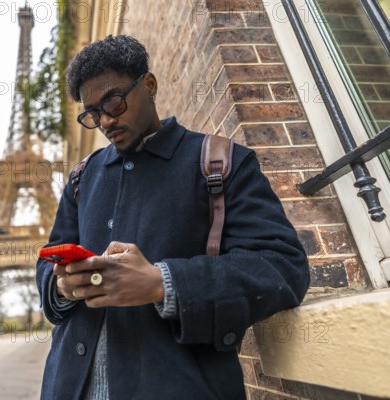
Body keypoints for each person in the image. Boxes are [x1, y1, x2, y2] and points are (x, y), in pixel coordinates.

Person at [35, 35, 310, 399]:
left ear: (149, 85)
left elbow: (283, 268)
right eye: (92, 113)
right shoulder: (81, 178)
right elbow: (48, 258)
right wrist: (61, 286)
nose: (104, 121)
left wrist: (162, 282)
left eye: (114, 103)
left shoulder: (222, 162)